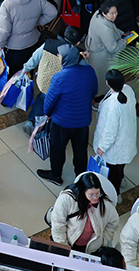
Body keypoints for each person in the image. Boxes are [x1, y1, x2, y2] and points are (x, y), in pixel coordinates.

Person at [37, 45, 97, 185]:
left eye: (59, 55)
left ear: (66, 59)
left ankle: (56, 175)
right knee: (81, 151)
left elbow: (50, 100)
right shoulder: (89, 71)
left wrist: (47, 113)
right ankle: (82, 179)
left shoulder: (60, 77)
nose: (58, 56)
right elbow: (94, 91)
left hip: (62, 122)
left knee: (58, 149)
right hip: (83, 121)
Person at [0, 0, 56, 78]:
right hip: (33, 42)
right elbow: (53, 11)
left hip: (14, 46)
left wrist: (0, 44)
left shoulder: (6, 5)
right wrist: (38, 22)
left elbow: (4, 30)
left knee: (13, 73)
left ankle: (14, 88)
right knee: (28, 70)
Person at [49, 171, 121, 254]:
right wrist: (63, 247)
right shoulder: (66, 200)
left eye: (98, 193)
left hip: (92, 247)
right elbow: (58, 225)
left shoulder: (105, 204)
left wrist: (103, 241)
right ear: (83, 191)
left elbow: (113, 223)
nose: (95, 198)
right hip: (68, 243)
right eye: (91, 195)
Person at [92, 69, 137, 189]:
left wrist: (101, 148)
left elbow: (110, 131)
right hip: (125, 140)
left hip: (114, 148)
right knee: (119, 167)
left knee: (113, 175)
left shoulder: (113, 106)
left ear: (107, 83)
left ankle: (115, 194)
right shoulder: (128, 90)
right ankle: (121, 179)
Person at [85, 0, 128, 87]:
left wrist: (120, 33)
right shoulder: (105, 29)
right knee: (102, 77)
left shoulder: (97, 14)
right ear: (104, 14)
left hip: (93, 46)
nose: (115, 15)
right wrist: (124, 41)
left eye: (116, 12)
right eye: (112, 13)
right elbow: (113, 48)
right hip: (101, 55)